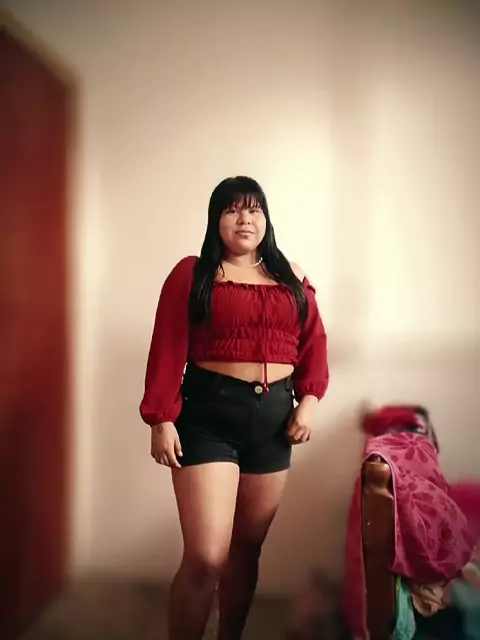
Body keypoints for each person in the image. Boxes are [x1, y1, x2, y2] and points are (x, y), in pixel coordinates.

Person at [140, 176, 329, 640]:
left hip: (275, 423)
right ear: (216, 219)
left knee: (246, 551)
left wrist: (308, 401)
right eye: (233, 210)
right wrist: (161, 418)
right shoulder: (193, 273)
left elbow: (314, 343)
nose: (245, 219)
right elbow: (167, 346)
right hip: (208, 418)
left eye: (254, 209)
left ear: (266, 219)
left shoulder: (291, 275)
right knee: (207, 557)